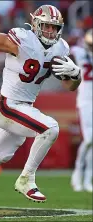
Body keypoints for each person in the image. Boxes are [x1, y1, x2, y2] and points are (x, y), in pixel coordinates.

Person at [0, 5, 81, 216]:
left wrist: (76, 75)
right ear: (36, 24)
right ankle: (27, 178)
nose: (50, 32)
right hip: (8, 105)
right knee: (50, 128)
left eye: (54, 28)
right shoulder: (23, 39)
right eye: (46, 26)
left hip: (23, 108)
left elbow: (70, 86)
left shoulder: (60, 48)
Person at [70, 29, 93, 192]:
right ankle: (77, 175)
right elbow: (65, 49)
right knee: (89, 139)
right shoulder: (79, 52)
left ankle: (87, 180)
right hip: (85, 101)